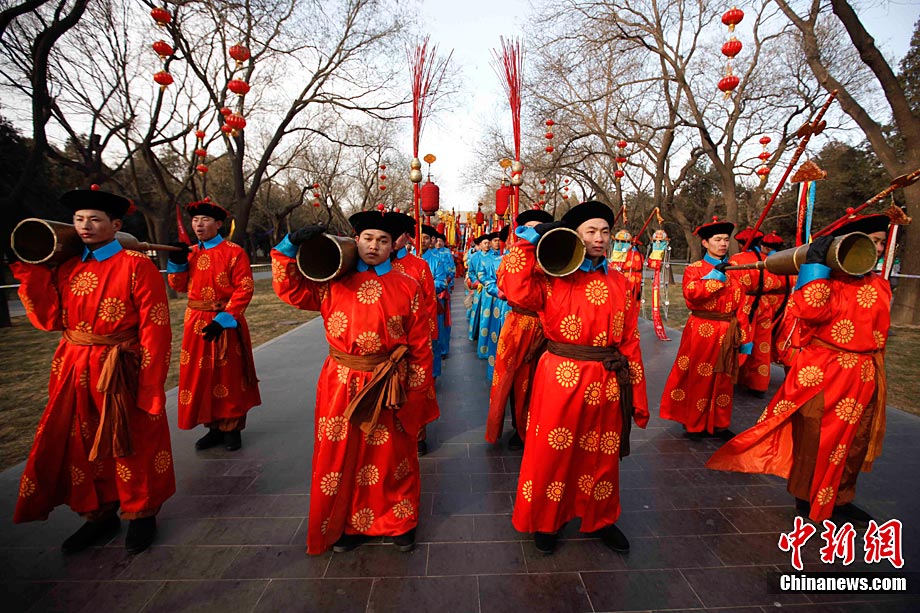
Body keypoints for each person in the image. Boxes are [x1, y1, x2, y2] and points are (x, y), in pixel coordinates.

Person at [10, 188, 175, 554]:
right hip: (73, 366)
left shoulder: (138, 266)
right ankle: (96, 515)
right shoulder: (67, 267)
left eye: (95, 219)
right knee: (81, 444)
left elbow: (156, 328)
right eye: (79, 219)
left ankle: (141, 514)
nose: (85, 226)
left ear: (115, 225)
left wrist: (150, 385)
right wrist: (31, 271)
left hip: (122, 369)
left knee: (130, 441)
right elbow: (50, 319)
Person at [707, 214, 892, 524]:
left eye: (880, 243)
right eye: (870, 241)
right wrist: (816, 268)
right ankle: (807, 498)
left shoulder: (881, 285)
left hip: (863, 375)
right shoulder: (827, 282)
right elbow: (806, 312)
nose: (876, 249)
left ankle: (841, 498)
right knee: (815, 438)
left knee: (854, 442)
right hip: (824, 373)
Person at [271, 210, 437, 554]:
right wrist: (288, 247)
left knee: (392, 456)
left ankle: (399, 521)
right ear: (356, 240)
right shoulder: (331, 282)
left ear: (394, 246)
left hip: (390, 384)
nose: (374, 246)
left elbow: (420, 345)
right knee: (340, 455)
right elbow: (290, 290)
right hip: (341, 381)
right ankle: (343, 522)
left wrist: (416, 394)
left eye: (383, 240)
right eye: (367, 238)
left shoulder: (409, 286)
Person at [502, 200, 649, 555]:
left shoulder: (620, 282)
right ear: (576, 237)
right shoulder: (553, 275)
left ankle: (600, 518)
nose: (600, 238)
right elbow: (515, 288)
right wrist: (527, 241)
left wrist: (638, 395)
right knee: (552, 453)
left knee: (601, 454)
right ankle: (546, 520)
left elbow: (629, 338)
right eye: (591, 231)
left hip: (608, 378)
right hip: (560, 376)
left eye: (605, 232)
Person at [167, 198, 261, 451]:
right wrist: (176, 261)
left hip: (225, 321)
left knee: (228, 376)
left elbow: (244, 288)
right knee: (201, 376)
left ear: (218, 224)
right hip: (195, 323)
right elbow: (177, 285)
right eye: (195, 220)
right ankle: (212, 427)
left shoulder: (234, 252)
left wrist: (225, 319)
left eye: (205, 220)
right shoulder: (191, 253)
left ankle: (232, 429)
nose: (199, 224)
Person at [660, 217, 752, 440]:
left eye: (726, 240)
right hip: (702, 329)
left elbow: (742, 304)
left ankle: (720, 423)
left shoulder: (736, 269)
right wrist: (716, 276)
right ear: (705, 243)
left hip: (728, 329)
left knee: (723, 379)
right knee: (699, 376)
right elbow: (692, 296)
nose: (722, 244)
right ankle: (695, 423)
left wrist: (745, 336)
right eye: (717, 239)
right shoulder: (695, 269)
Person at [486, 209, 554, 450]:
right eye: (531, 229)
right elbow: (513, 290)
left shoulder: (554, 255)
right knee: (516, 380)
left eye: (541, 229)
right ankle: (519, 427)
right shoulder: (513, 257)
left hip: (550, 326)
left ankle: (540, 426)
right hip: (519, 325)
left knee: (542, 382)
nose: (536, 234)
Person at [389, 214, 440, 456]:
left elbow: (429, 304)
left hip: (414, 342)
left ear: (406, 237)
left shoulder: (419, 266)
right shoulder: (372, 266)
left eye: (396, 235)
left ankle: (419, 435)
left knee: (416, 390)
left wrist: (426, 341)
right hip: (386, 345)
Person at [727, 227, 771, 398]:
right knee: (762, 344)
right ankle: (759, 384)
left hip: (744, 303)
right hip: (765, 304)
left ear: (740, 243)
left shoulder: (737, 260)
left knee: (740, 340)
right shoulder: (768, 260)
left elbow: (732, 284)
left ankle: (734, 378)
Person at [609, 229, 644, 302]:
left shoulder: (634, 255)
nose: (619, 244)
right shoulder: (614, 254)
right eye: (617, 241)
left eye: (623, 242)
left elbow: (637, 266)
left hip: (630, 280)